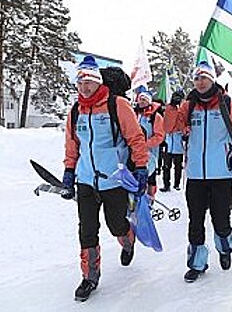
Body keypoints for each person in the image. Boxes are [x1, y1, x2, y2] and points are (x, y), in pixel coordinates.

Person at [62, 56, 149, 301]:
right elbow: (72, 144)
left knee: (115, 224)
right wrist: (70, 172)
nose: (85, 86)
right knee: (86, 230)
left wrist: (141, 166)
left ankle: (127, 238)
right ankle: (89, 277)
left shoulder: (117, 105)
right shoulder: (76, 110)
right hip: (87, 180)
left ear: (98, 82)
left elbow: (135, 138)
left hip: (114, 179)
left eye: (89, 81)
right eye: (80, 82)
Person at [164, 61, 232, 283]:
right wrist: (172, 107)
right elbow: (169, 127)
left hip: (221, 173)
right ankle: (197, 263)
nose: (200, 82)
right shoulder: (188, 105)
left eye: (204, 78)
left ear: (213, 80)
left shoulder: (227, 104)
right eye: (197, 78)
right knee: (195, 221)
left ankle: (225, 248)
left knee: (221, 220)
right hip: (194, 175)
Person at [134, 90, 165, 198]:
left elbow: (160, 135)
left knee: (150, 177)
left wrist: (146, 145)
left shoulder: (155, 117)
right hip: (134, 153)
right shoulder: (134, 114)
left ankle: (150, 198)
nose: (141, 102)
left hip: (150, 154)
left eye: (144, 100)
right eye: (140, 99)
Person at [160, 90, 185, 192]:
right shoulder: (169, 109)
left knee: (178, 166)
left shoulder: (183, 109)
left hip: (178, 142)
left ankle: (177, 183)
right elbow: (167, 124)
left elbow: (182, 123)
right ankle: (166, 184)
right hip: (169, 141)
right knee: (166, 166)